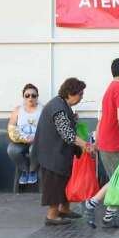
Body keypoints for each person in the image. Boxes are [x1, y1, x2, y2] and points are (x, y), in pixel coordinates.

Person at [33, 78, 94, 226]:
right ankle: (52, 216)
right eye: (80, 94)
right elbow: (67, 134)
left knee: (63, 182)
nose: (81, 97)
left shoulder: (61, 104)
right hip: (51, 154)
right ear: (69, 93)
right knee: (55, 184)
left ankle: (64, 209)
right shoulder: (58, 108)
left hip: (57, 153)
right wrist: (85, 145)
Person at [84, 58, 119, 228]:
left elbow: (103, 118)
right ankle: (91, 205)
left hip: (107, 141)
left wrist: (97, 141)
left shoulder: (111, 88)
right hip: (115, 143)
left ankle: (108, 216)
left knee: (118, 179)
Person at [7, 83, 43, 185]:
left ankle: (32, 170)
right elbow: (11, 126)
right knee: (12, 150)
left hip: (37, 142)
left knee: (33, 149)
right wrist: (21, 138)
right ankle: (24, 170)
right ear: (23, 97)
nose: (30, 98)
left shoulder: (43, 109)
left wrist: (35, 139)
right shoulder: (18, 110)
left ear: (37, 97)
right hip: (20, 141)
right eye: (27, 95)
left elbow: (47, 127)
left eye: (33, 95)